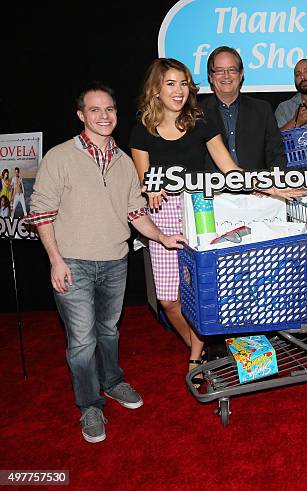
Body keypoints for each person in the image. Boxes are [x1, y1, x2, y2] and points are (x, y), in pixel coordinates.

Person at [26, 82, 185, 443]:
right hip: (73, 263)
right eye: (95, 110)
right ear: (81, 115)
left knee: (110, 331)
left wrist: (160, 236)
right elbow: (41, 214)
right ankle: (90, 405)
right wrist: (55, 260)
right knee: (82, 340)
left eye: (109, 109)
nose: (104, 116)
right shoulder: (59, 157)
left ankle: (113, 382)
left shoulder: (125, 161)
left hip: (115, 261)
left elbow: (135, 211)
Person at [130, 58, 301, 384]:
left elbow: (231, 171)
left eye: (183, 84)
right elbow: (144, 178)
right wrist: (150, 188)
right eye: (170, 84)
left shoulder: (201, 123)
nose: (179, 91)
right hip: (164, 216)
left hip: (200, 213)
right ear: (156, 89)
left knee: (203, 292)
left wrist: (274, 187)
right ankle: (204, 346)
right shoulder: (142, 131)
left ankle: (196, 357)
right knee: (169, 300)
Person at [200, 46, 287, 170]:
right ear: (210, 77)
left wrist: (271, 185)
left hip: (257, 187)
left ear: (241, 74)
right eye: (219, 70)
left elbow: (276, 155)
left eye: (232, 70)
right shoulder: (197, 112)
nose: (226, 76)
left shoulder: (262, 109)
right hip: (213, 188)